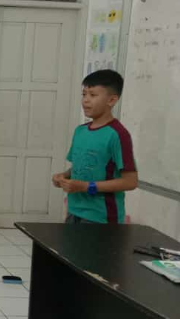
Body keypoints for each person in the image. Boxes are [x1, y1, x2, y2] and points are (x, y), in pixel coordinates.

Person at [52, 70, 138, 224]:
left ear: (111, 100)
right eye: (84, 94)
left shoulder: (117, 135)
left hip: (101, 218)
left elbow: (130, 182)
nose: (85, 100)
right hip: (74, 211)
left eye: (92, 95)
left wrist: (87, 186)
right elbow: (82, 166)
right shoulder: (80, 131)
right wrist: (64, 176)